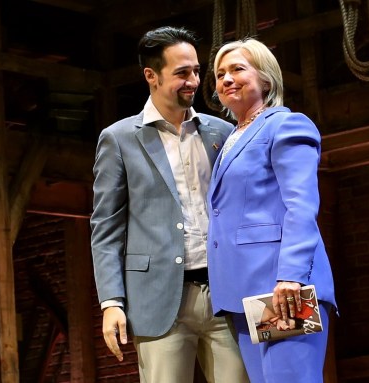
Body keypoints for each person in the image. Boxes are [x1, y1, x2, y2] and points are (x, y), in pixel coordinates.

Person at [89, 26, 249, 383]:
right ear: (151, 76)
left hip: (226, 294)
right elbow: (106, 228)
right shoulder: (118, 140)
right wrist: (111, 301)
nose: (193, 80)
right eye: (181, 73)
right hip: (159, 300)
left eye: (195, 70)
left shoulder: (221, 133)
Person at [207, 37, 338, 382]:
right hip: (246, 296)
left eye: (237, 69)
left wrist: (291, 275)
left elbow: (301, 204)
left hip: (284, 290)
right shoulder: (231, 139)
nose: (227, 79)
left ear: (265, 79)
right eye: (220, 74)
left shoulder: (285, 125)